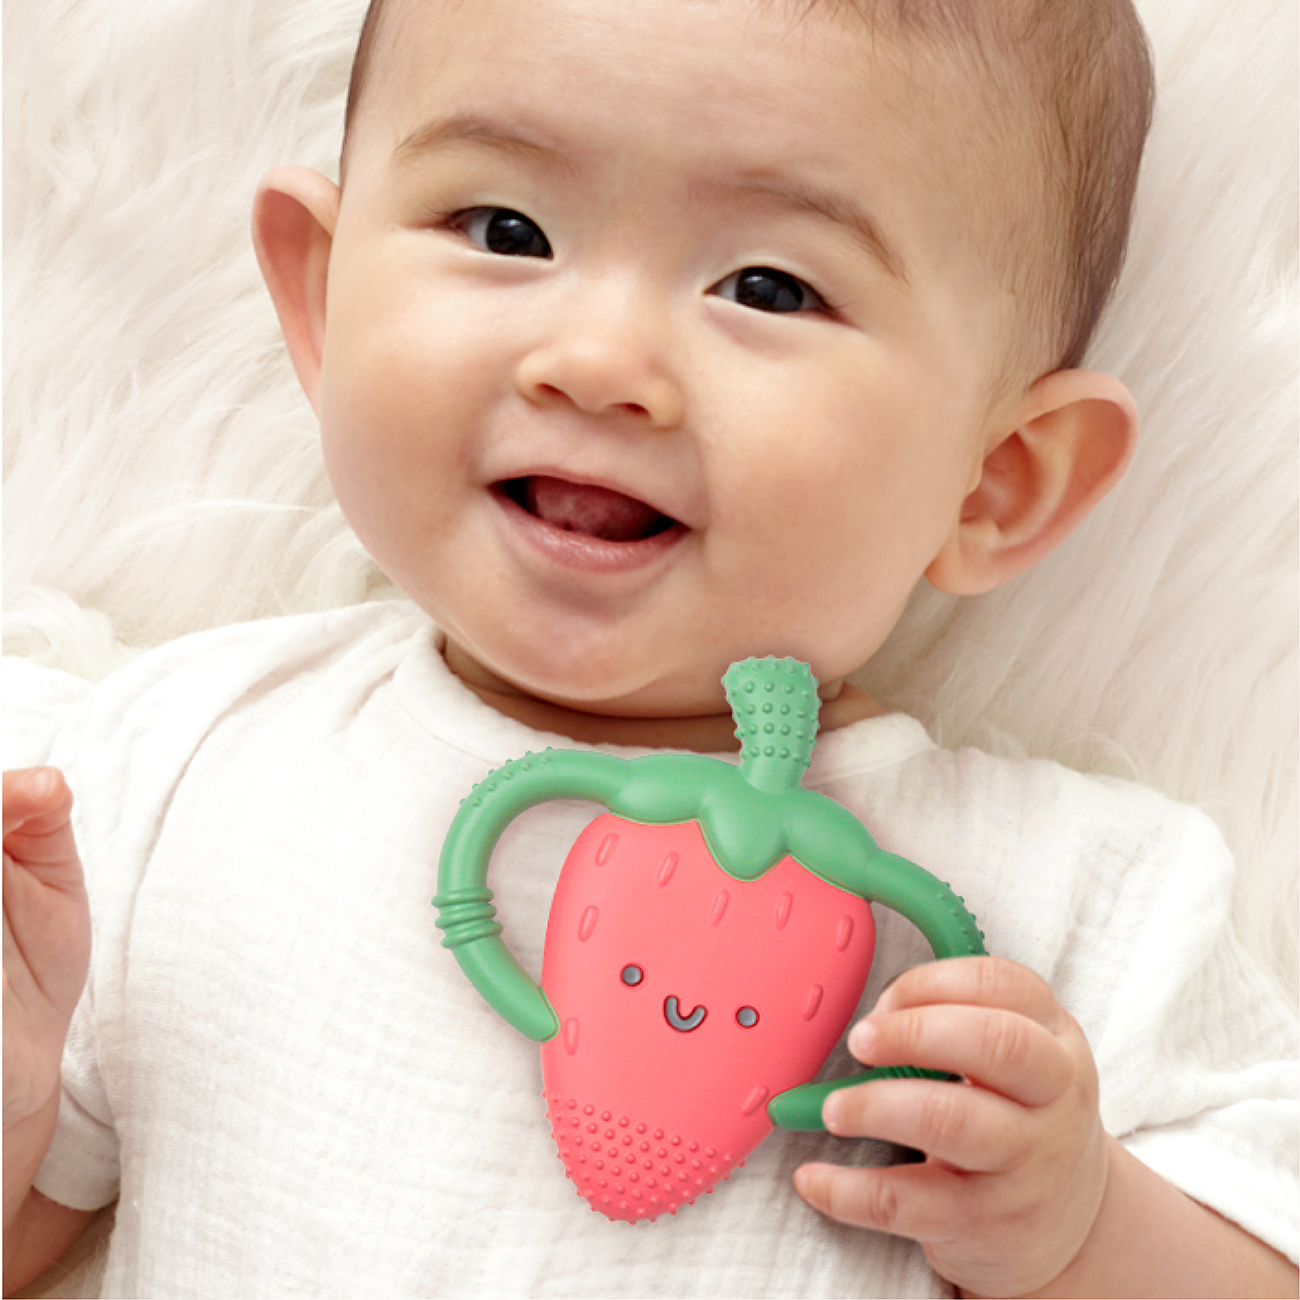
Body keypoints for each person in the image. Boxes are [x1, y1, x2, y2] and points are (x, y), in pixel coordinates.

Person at [4, 0, 1296, 1295]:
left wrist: (1084, 1228)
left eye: (770, 288)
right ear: (327, 302)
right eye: (508, 231)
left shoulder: (1072, 908)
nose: (600, 363)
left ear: (994, 483)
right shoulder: (166, 772)